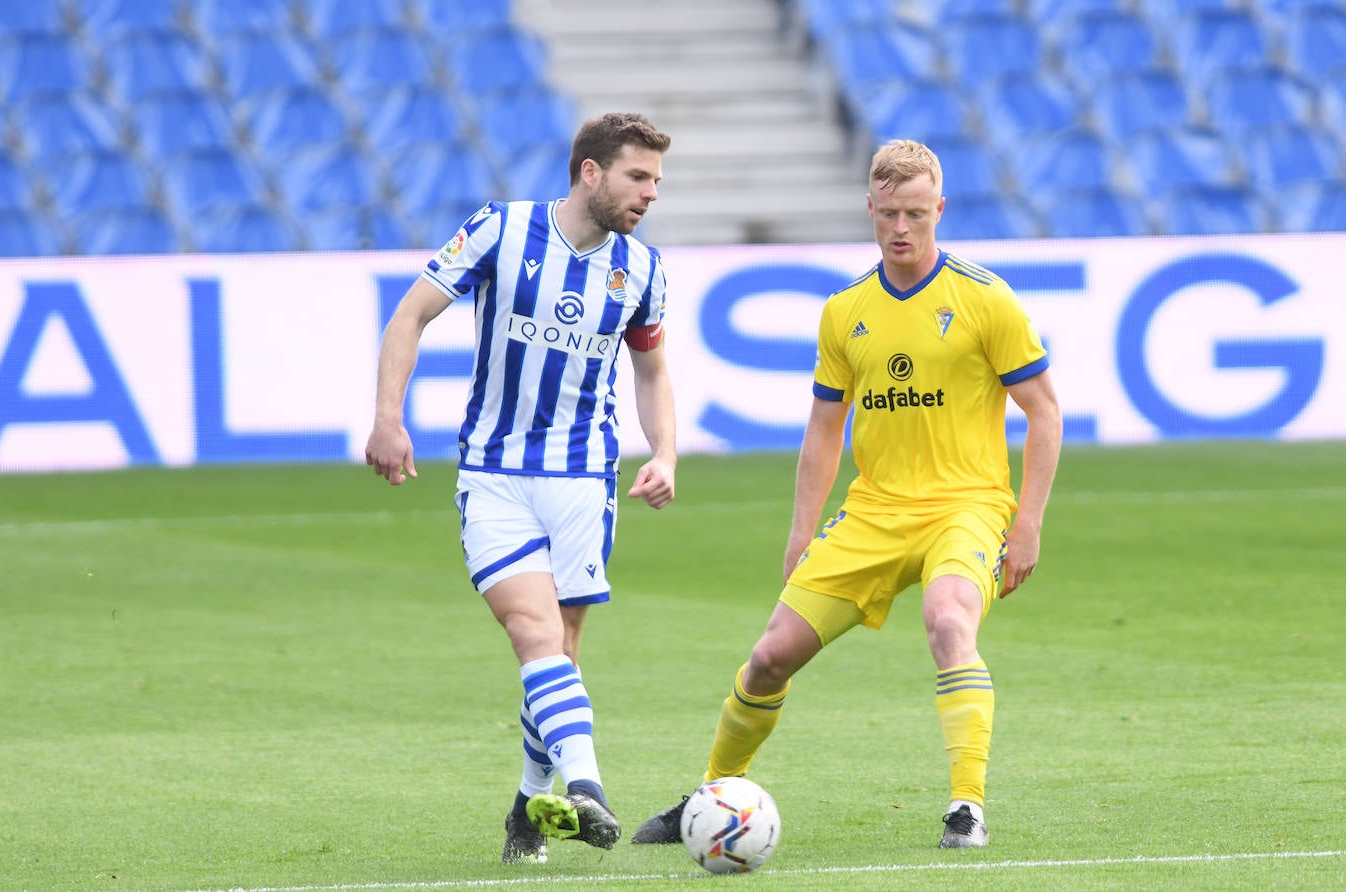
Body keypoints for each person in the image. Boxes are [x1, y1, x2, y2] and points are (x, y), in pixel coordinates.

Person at [632, 138, 1061, 849]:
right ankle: (710, 796)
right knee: (770, 657)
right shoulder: (845, 311)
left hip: (967, 507)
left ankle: (966, 806)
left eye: (916, 214)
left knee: (948, 619)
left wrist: (1029, 524)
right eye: (889, 214)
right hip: (873, 513)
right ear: (869, 208)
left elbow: (1044, 411)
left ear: (940, 209)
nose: (901, 228)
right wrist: (801, 533)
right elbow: (825, 428)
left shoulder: (986, 299)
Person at [364, 113, 677, 864]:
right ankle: (588, 788)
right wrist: (387, 418)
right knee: (534, 634)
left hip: (585, 479)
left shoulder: (643, 269)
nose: (650, 194)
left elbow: (652, 370)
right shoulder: (500, 230)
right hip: (495, 475)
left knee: (559, 651)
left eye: (657, 181)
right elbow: (410, 315)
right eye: (638, 177)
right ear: (591, 171)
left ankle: (526, 811)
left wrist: (665, 452)